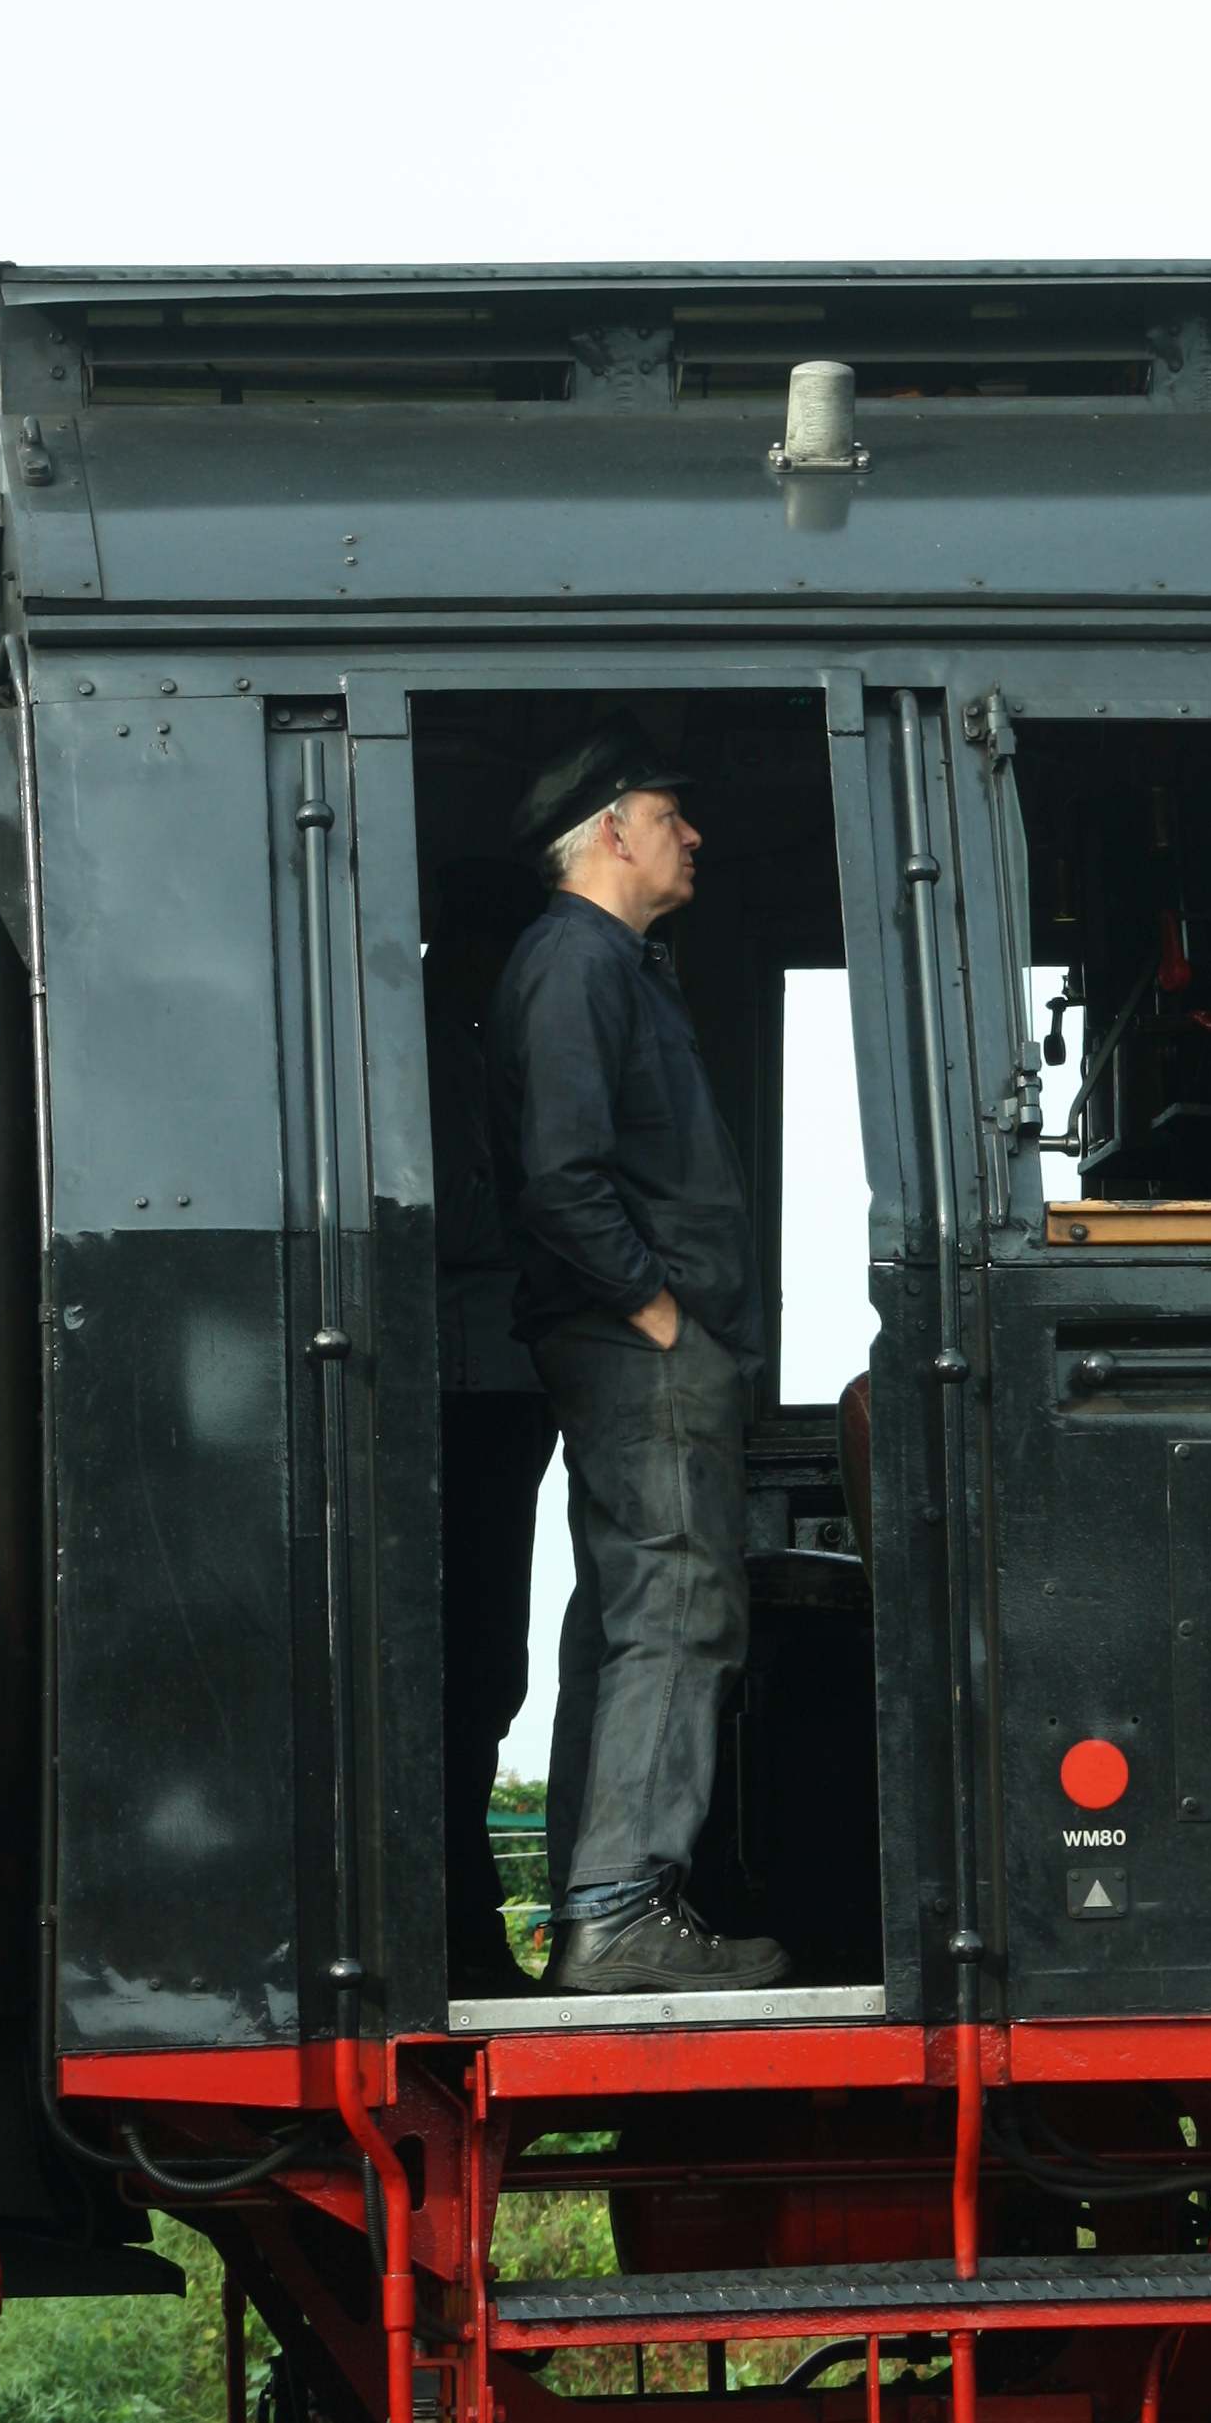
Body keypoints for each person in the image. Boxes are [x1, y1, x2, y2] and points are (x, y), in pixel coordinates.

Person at [489, 723, 791, 1995]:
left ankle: (594, 1908)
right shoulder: (577, 962)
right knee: (676, 1607)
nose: (693, 835)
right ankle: (619, 1912)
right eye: (673, 814)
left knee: (628, 1617)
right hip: (635, 1349)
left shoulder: (613, 966)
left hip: (636, 1346)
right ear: (611, 829)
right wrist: (658, 1311)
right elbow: (562, 1174)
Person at [424, 863, 557, 2001]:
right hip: (471, 1381)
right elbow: (453, 1212)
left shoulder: (467, 1044)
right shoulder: (440, 1050)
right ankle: (461, 1926)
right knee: (473, 1665)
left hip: (498, 1379)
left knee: (487, 1667)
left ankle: (467, 1924)